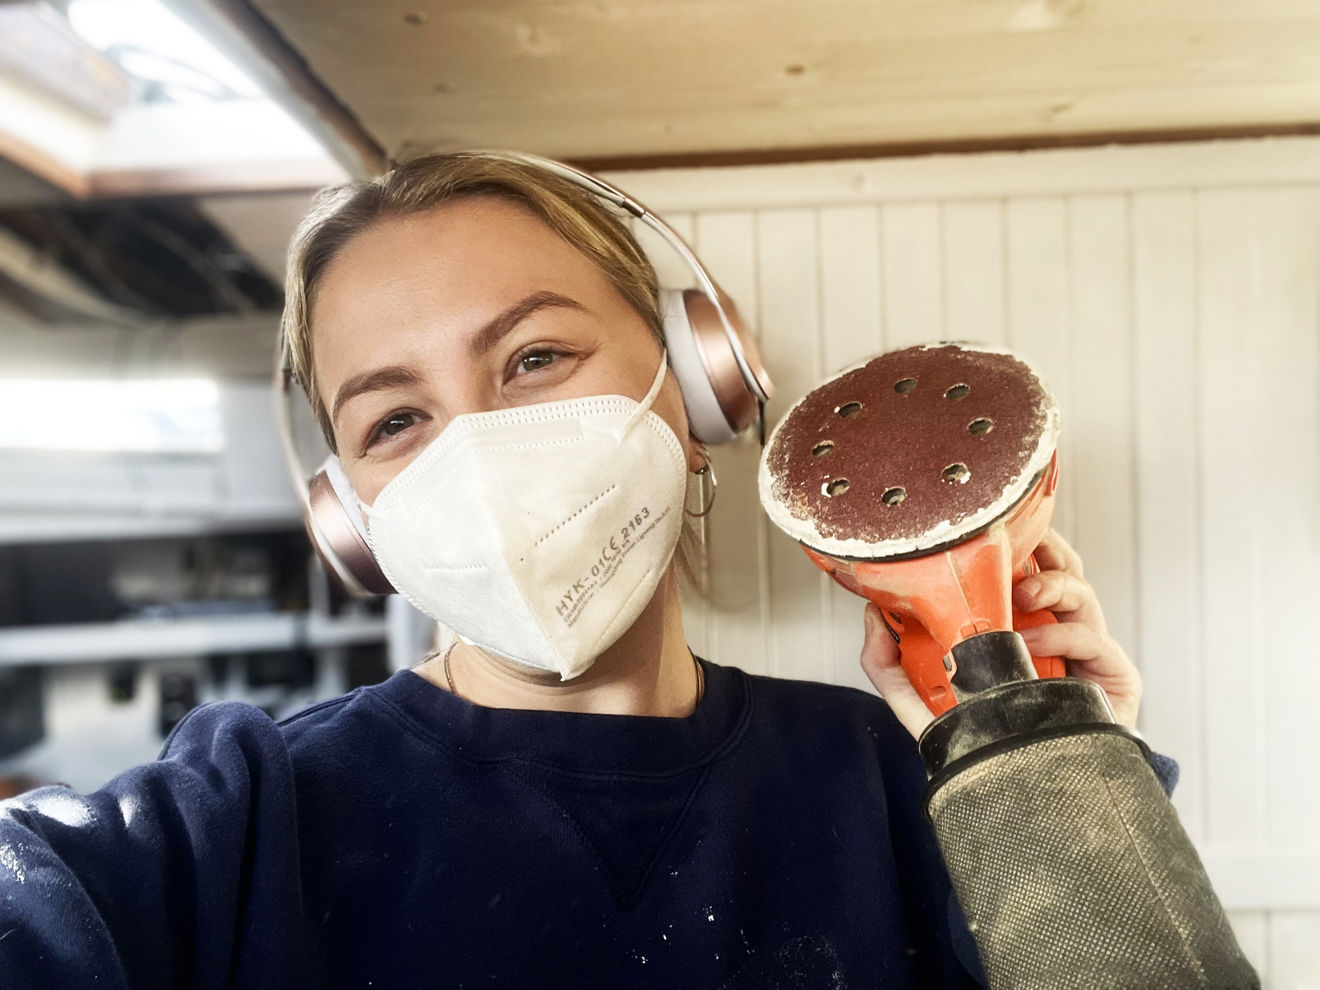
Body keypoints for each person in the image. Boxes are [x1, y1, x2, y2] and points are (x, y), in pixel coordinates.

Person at [0, 153, 1155, 990]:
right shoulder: (240, 822)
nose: (477, 455)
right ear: (354, 520)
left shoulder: (886, 777)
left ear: (699, 388)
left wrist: (1052, 788)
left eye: (535, 357)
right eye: (395, 421)